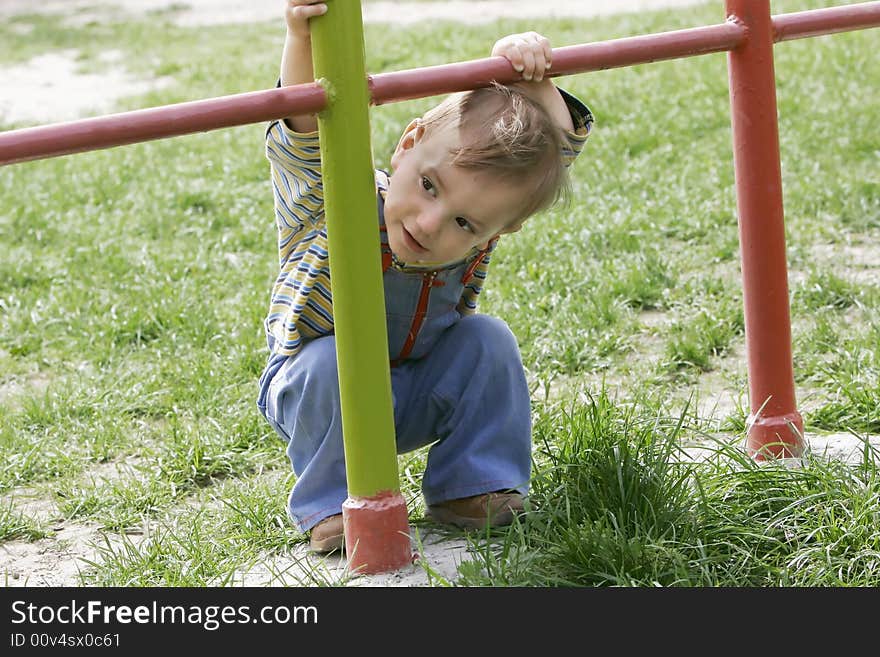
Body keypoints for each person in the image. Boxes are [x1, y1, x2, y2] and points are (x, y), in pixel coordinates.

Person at [257, 0, 594, 552]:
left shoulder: (477, 232)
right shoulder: (337, 196)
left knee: (487, 339)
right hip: (321, 396)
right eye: (429, 186)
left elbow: (554, 152)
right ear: (407, 144)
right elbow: (305, 128)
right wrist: (303, 36)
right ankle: (335, 501)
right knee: (325, 360)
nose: (430, 223)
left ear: (496, 234)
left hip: (414, 388)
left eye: (465, 222)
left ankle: (471, 485)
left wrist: (532, 76)